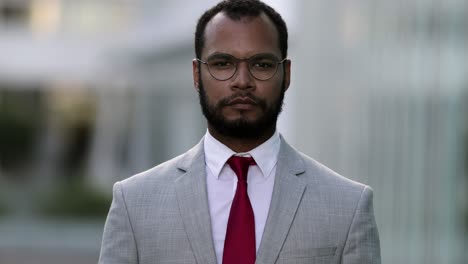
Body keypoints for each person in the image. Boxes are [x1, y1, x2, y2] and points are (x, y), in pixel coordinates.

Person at [98, 0, 381, 263]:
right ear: (197, 75)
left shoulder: (348, 206)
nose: (242, 81)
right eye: (223, 64)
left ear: (287, 75)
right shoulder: (134, 203)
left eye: (262, 64)